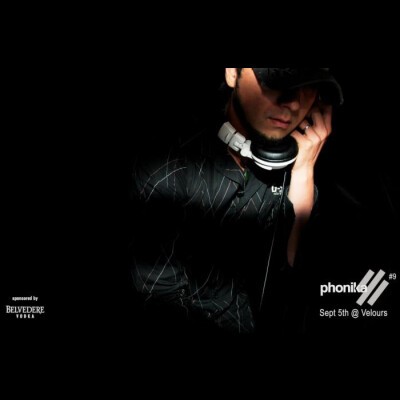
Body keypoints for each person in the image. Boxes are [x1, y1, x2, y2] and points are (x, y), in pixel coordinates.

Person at [129, 68, 343, 336]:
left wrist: (303, 172)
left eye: (308, 86)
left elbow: (288, 287)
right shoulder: (169, 170)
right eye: (274, 82)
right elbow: (159, 303)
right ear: (233, 73)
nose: (294, 102)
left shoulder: (292, 169)